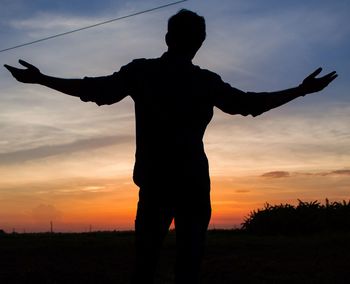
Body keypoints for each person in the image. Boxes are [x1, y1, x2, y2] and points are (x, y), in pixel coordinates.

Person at [4, 9, 337, 284]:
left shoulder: (144, 72)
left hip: (157, 184)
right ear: (200, 44)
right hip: (192, 184)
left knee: (146, 265)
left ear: (167, 38)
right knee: (187, 267)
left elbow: (95, 90)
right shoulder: (204, 81)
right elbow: (250, 104)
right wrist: (300, 90)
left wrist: (43, 78)